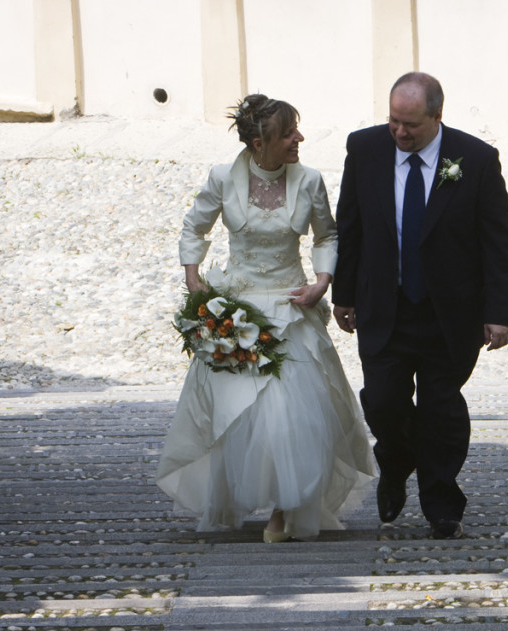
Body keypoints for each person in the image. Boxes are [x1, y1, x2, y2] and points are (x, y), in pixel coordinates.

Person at [156, 94, 375, 543]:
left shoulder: (309, 180)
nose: (299, 139)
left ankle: (285, 507)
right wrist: (194, 277)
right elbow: (194, 226)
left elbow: (326, 234)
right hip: (238, 310)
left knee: (291, 415)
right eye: (288, 133)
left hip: (291, 306)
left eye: (297, 129)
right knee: (241, 414)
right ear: (259, 143)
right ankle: (244, 498)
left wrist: (322, 281)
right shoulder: (222, 178)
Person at [332, 72, 508, 540]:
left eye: (411, 125)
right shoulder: (365, 149)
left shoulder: (473, 159)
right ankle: (396, 464)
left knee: (440, 408)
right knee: (383, 402)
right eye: (393, 121)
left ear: (437, 117)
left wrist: (499, 311)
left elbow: (496, 240)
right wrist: (344, 294)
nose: (400, 133)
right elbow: (349, 226)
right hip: (383, 305)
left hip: (449, 312)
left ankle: (442, 505)